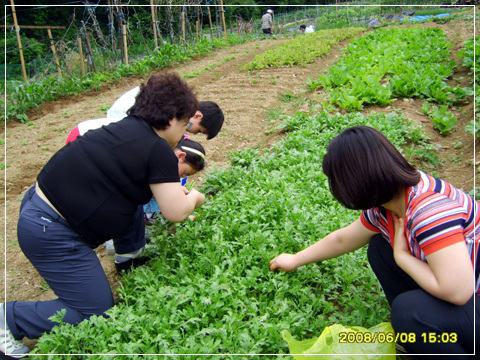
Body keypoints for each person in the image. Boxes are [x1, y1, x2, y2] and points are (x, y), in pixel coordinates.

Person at [1, 73, 205, 359]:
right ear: (171, 118)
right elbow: (174, 212)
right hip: (52, 232)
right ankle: (8, 318)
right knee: (93, 314)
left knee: (133, 195)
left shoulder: (123, 127)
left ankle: (129, 253)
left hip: (39, 209)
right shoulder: (157, 147)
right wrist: (195, 198)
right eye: (185, 125)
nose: (184, 133)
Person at [269, 126, 479, 358]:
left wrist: (403, 258)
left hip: (468, 295)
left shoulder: (429, 210)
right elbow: (343, 238)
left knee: (410, 312)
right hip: (462, 293)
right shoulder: (390, 202)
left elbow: (458, 292)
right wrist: (295, 260)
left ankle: (427, 333)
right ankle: (418, 338)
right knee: (380, 249)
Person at [107, 87, 224, 140]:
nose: (194, 133)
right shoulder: (177, 109)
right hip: (124, 115)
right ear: (198, 116)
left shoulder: (183, 104)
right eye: (199, 131)